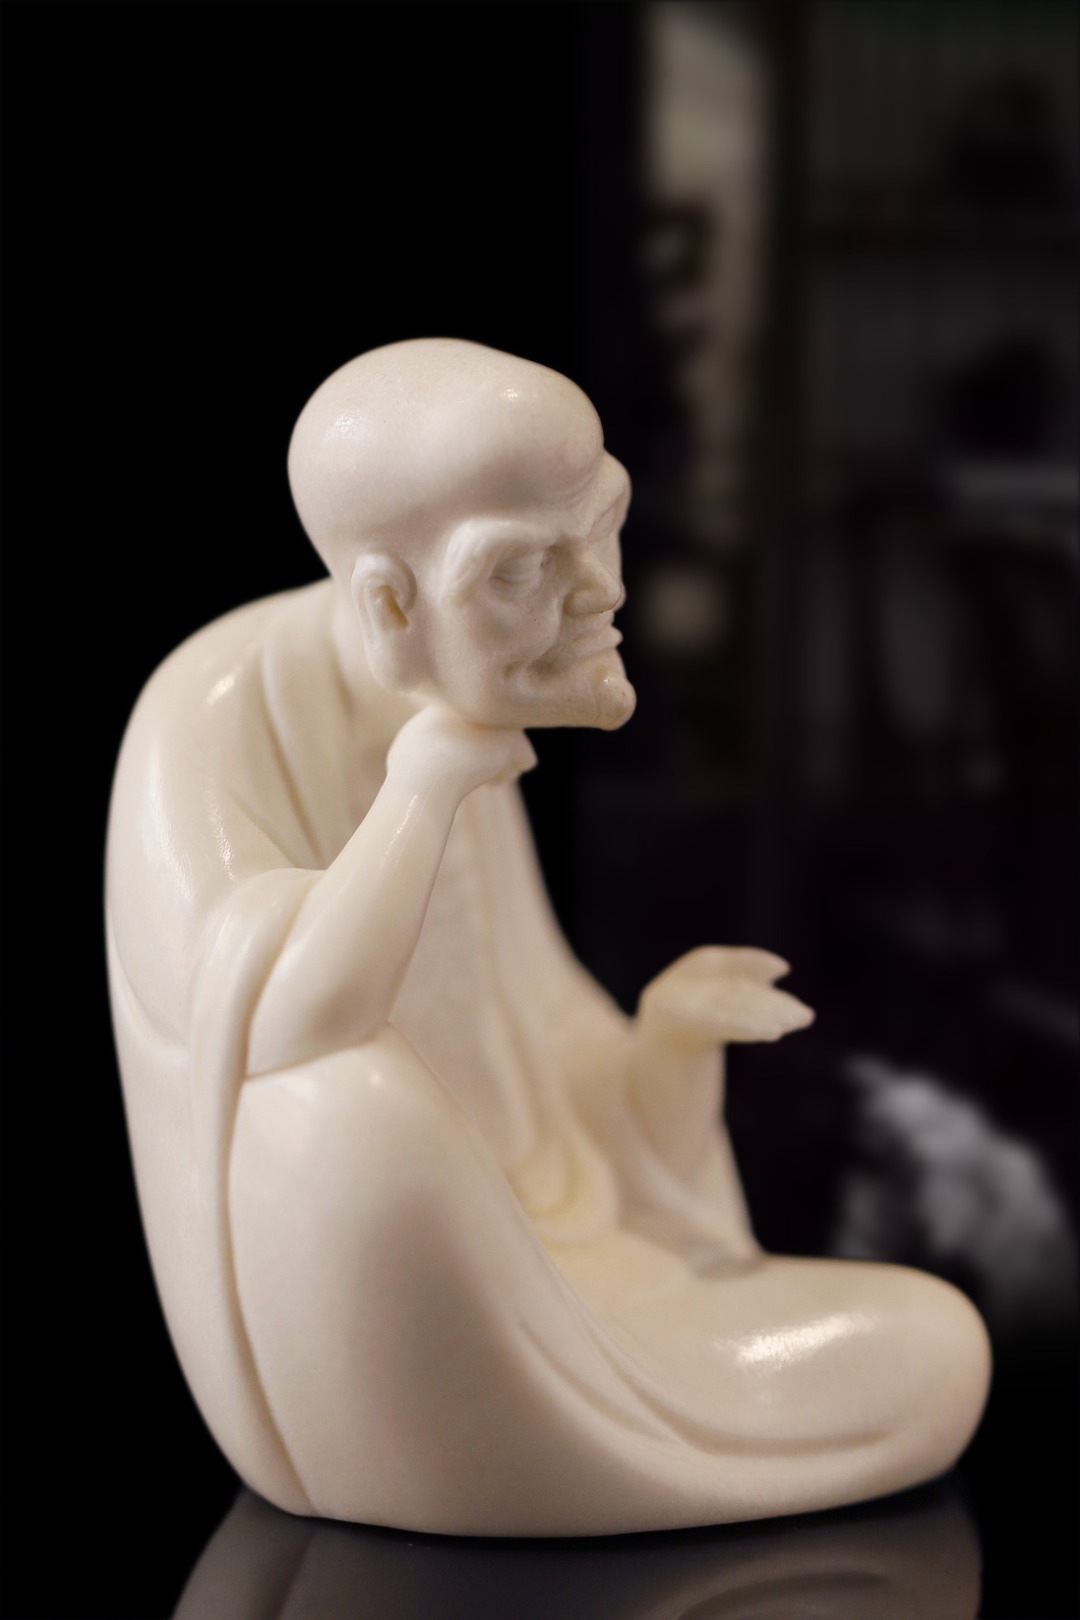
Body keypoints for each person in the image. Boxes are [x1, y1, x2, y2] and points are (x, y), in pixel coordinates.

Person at [106, 339, 990, 1534]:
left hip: (578, 1264)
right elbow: (279, 1026)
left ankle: (595, 1433)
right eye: (523, 569)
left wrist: (663, 1046)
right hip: (398, 1301)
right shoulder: (209, 715)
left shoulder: (454, 705)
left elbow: (542, 1055)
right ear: (390, 604)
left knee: (939, 1346)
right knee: (353, 1116)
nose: (602, 590)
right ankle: (488, 1447)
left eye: (604, 525)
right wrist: (417, 797)